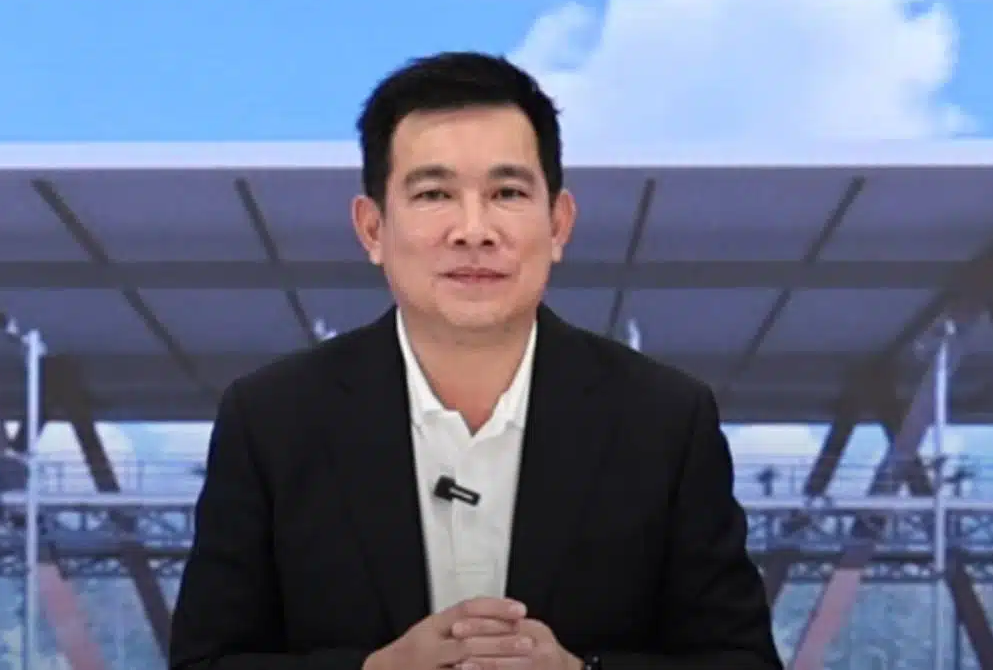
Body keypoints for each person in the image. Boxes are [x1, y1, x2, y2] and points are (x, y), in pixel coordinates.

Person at [168, 52, 782, 670]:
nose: (473, 230)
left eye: (506, 193)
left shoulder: (664, 419)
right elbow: (204, 663)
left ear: (559, 224)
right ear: (373, 229)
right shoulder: (272, 420)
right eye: (434, 194)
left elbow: (742, 662)